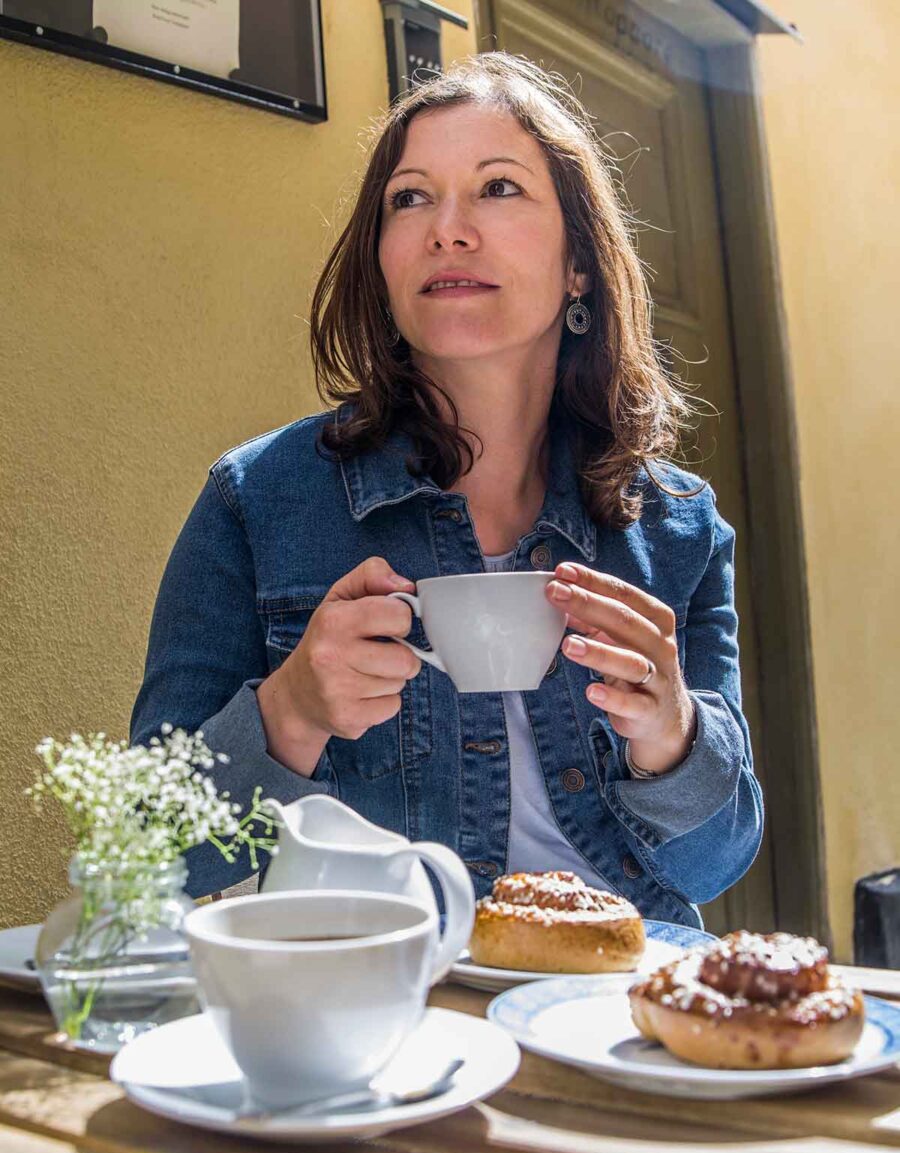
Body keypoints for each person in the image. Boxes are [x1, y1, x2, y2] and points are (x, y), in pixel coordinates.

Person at [130, 53, 763, 927]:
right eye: (411, 197)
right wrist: (291, 711)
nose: (448, 230)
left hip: (604, 997)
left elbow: (715, 864)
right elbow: (144, 859)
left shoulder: (679, 528)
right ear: (383, 266)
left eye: (498, 189)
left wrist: (672, 735)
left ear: (580, 263)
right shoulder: (257, 501)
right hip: (377, 996)